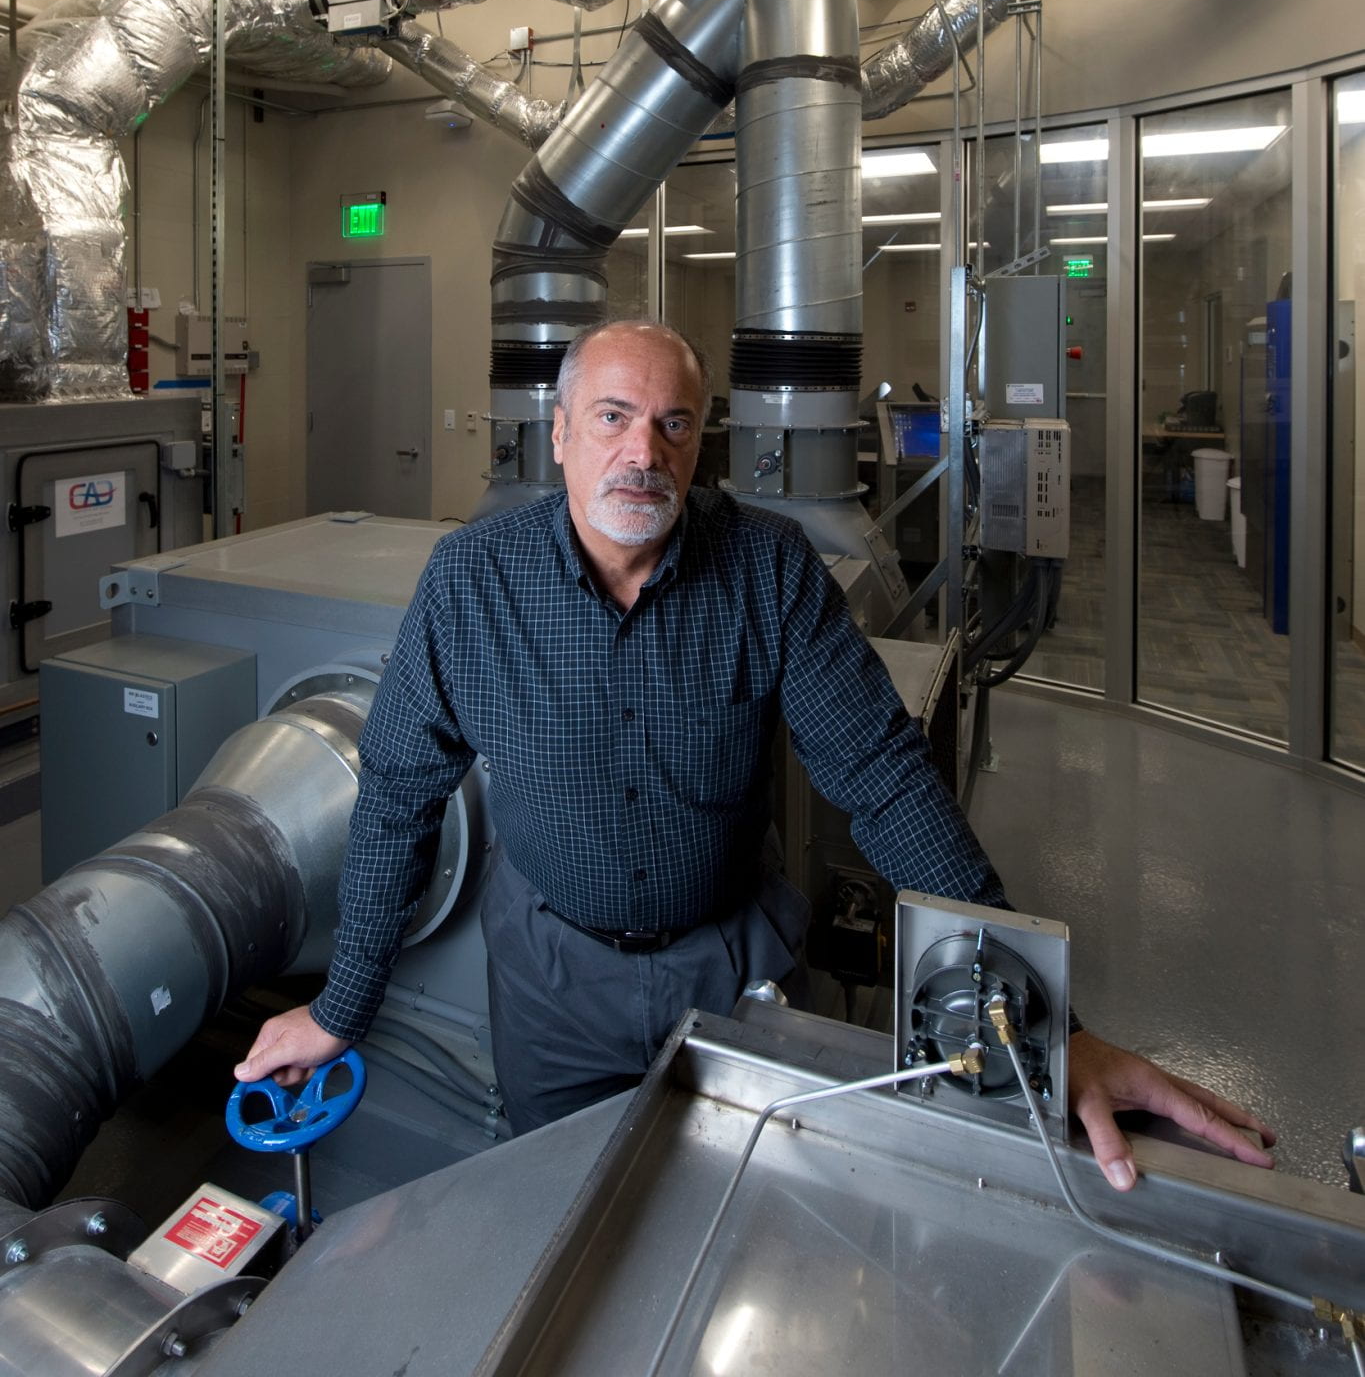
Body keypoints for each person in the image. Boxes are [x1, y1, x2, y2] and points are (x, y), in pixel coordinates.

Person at [238, 319, 1275, 1191]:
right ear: (555, 434)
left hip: (736, 963)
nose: (642, 451)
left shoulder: (768, 568)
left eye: (672, 423)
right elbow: (397, 799)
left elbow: (882, 773)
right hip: (552, 980)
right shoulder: (470, 583)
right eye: (611, 417)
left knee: (761, 1199)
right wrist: (344, 1001)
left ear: (702, 445)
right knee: (556, 1199)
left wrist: (1038, 1021)